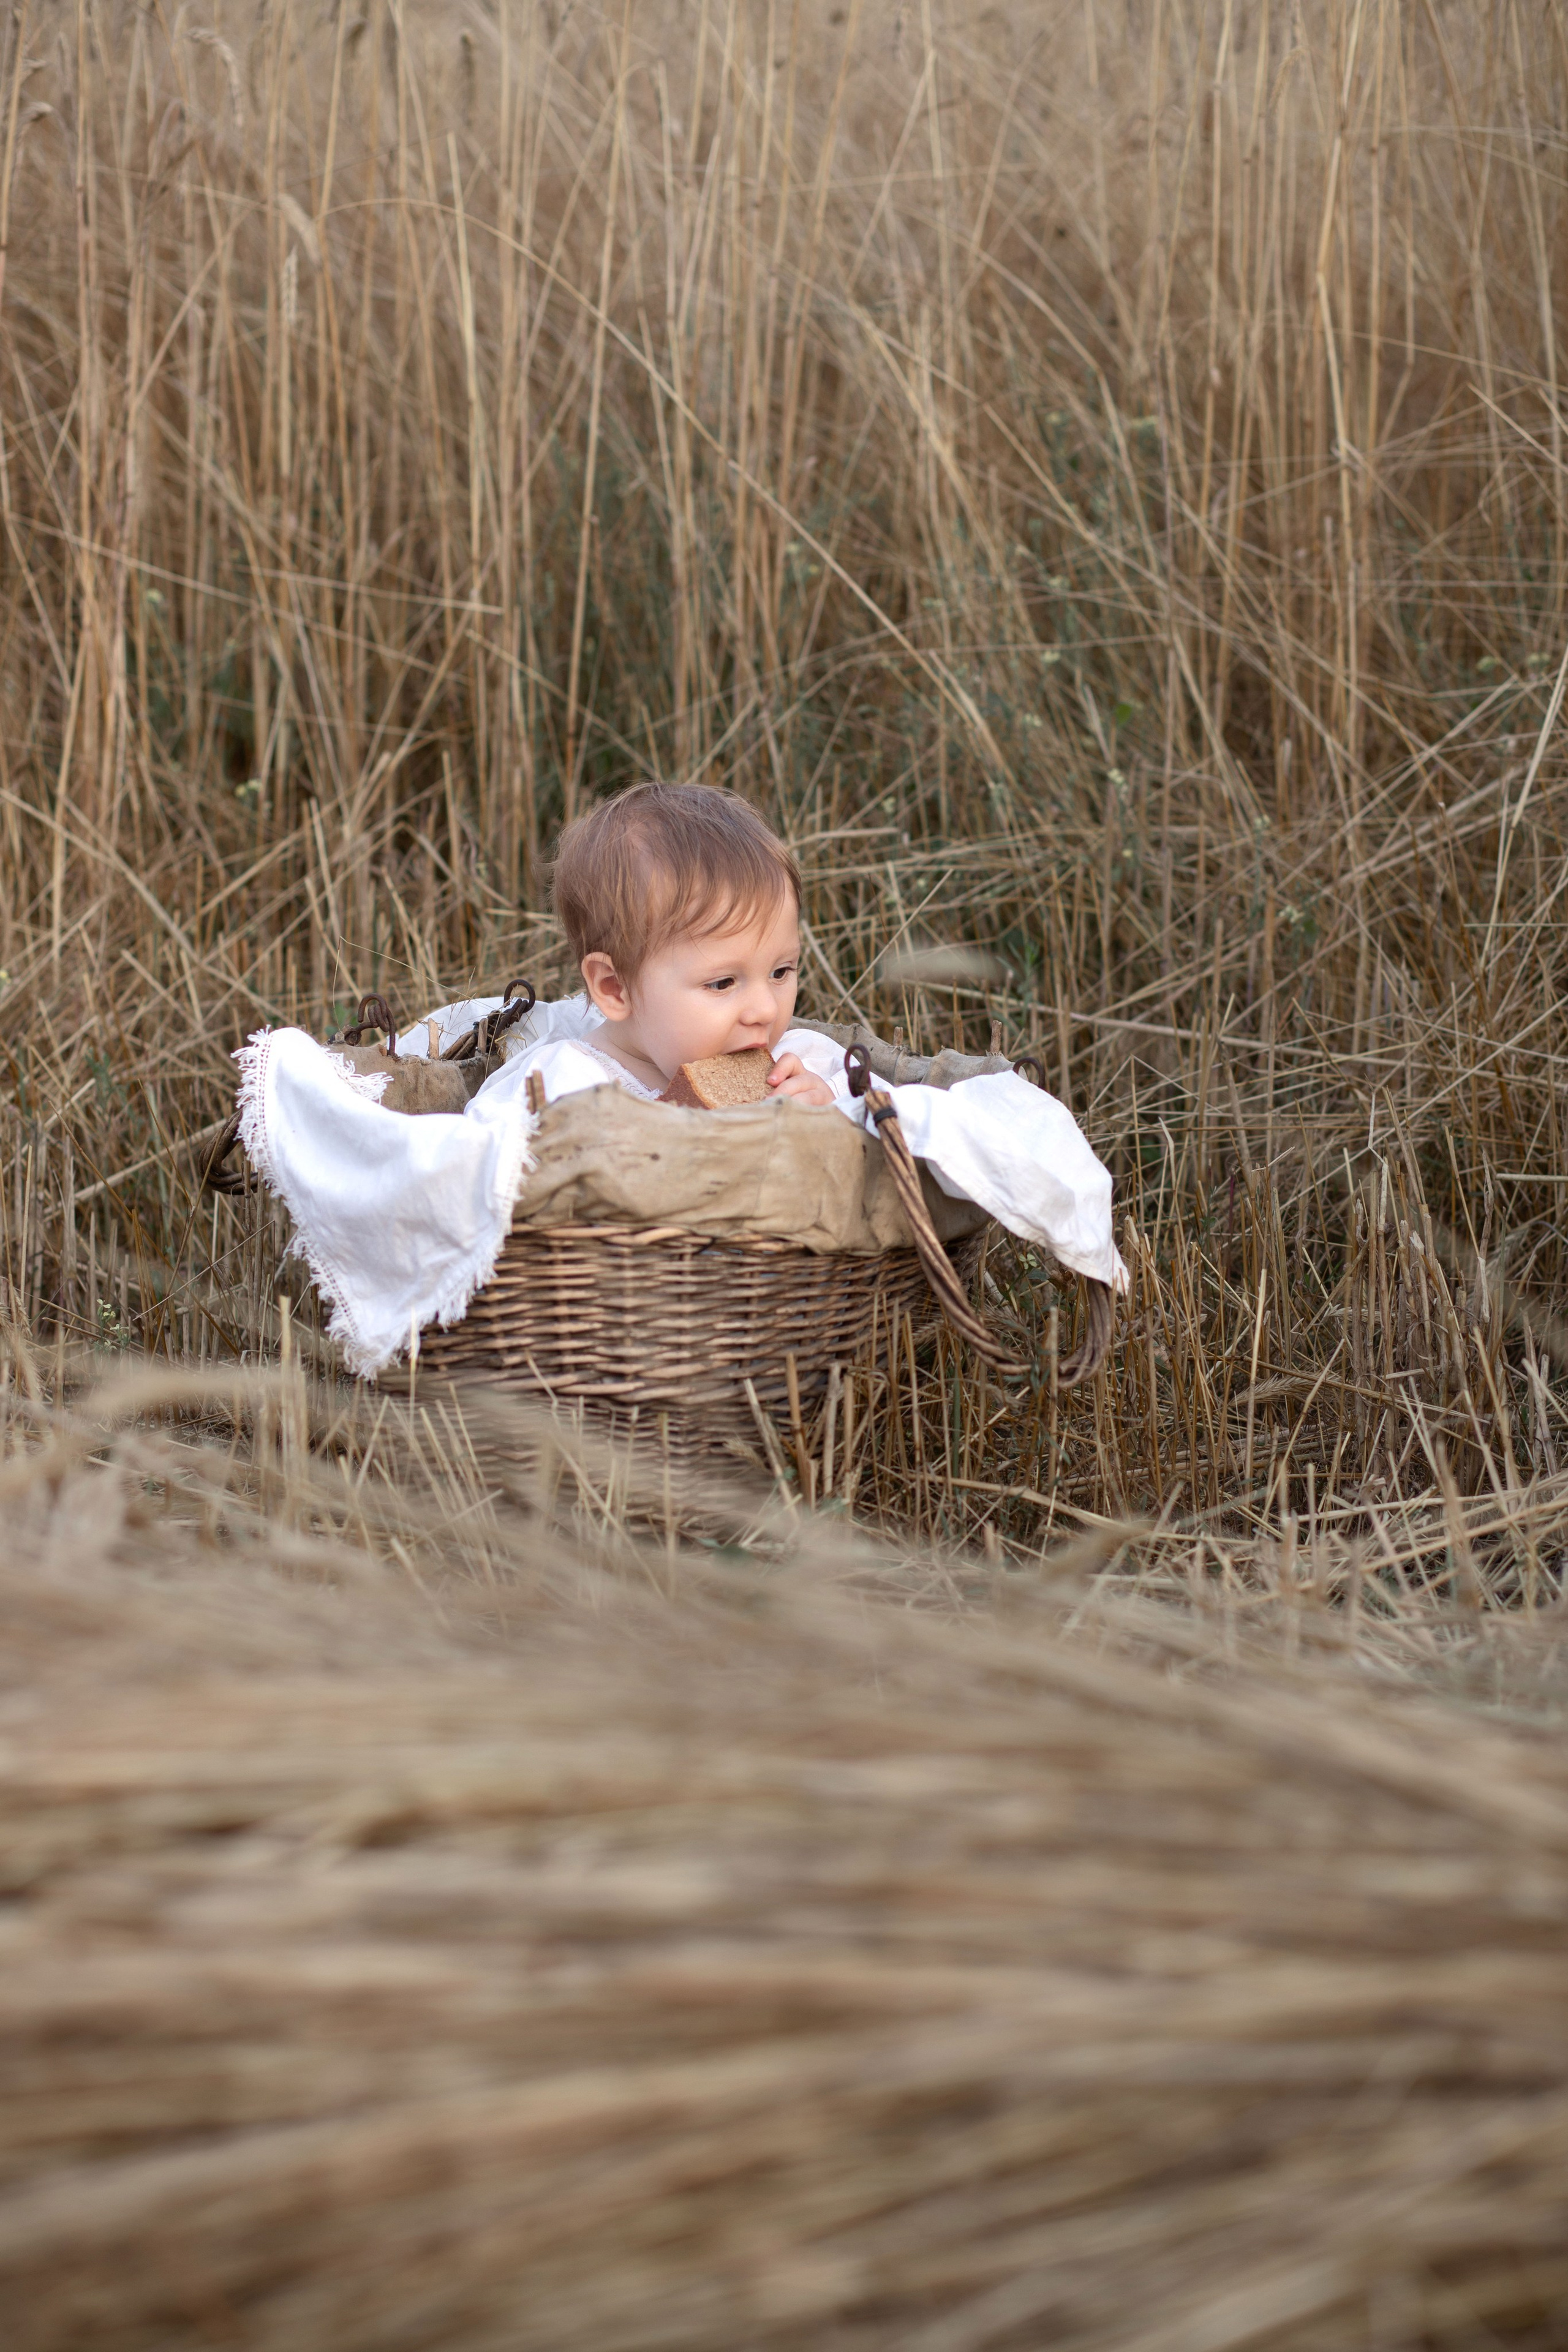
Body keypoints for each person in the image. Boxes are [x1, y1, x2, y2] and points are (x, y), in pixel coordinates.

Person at [544, 779, 837, 1104]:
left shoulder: (805, 1064)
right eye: (722, 983)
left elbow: (894, 1120)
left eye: (780, 972)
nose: (767, 1010)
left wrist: (833, 1111)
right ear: (615, 986)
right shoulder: (565, 1094)